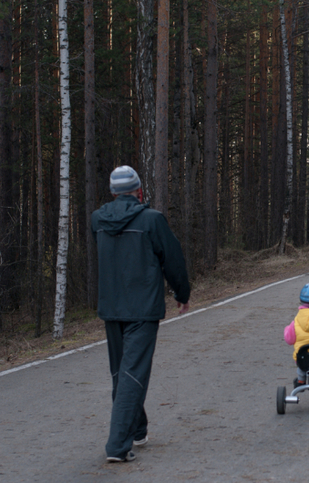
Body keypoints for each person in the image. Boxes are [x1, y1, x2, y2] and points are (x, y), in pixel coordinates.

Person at [91, 165, 190, 463]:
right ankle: (117, 447)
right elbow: (173, 258)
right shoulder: (152, 220)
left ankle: (137, 430)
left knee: (122, 373)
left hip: (112, 308)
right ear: (139, 191)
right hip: (143, 309)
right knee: (132, 375)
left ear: (113, 192)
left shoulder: (98, 220)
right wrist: (182, 294)